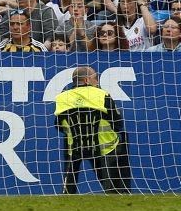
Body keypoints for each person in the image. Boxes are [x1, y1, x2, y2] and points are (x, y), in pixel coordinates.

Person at [54, 66, 131, 194]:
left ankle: (68, 191)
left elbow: (58, 126)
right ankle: (118, 189)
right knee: (122, 138)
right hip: (105, 147)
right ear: (87, 80)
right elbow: (118, 123)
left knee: (68, 141)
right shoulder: (102, 95)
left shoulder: (62, 98)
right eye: (96, 78)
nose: (97, 82)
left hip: (74, 149)